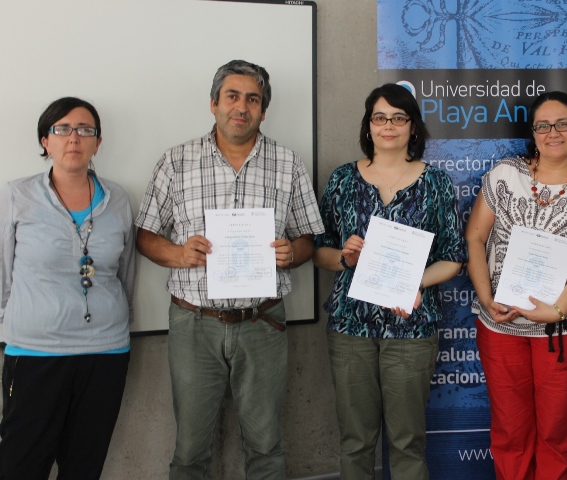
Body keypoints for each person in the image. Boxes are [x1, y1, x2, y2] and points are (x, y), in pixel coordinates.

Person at [135, 59, 324, 479]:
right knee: (190, 449)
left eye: (253, 100)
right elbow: (144, 235)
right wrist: (179, 254)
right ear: (214, 103)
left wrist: (291, 252)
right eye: (232, 96)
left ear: (263, 111)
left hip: (262, 323)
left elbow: (308, 238)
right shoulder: (176, 161)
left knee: (266, 446)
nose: (242, 107)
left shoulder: (288, 163)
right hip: (194, 323)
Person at [313, 83, 467, 480]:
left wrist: (416, 282)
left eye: (399, 118)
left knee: (407, 443)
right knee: (355, 442)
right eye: (379, 117)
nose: (388, 126)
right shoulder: (343, 179)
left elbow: (453, 257)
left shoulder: (436, 183)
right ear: (368, 125)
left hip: (411, 328)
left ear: (413, 127)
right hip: (351, 327)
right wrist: (344, 258)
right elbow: (319, 250)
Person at [0, 97, 136, 480]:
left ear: (98, 142)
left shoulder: (118, 199)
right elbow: (3, 274)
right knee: (20, 467)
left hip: (106, 353)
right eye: (62, 129)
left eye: (85, 130)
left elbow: (127, 274)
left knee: (83, 468)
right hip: (35, 353)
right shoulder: (16, 195)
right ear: (45, 140)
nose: (74, 138)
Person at [465, 91, 567, 480]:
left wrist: (556, 310)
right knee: (511, 432)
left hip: (562, 328)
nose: (553, 132)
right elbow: (474, 238)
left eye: (563, 124)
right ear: (533, 133)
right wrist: (486, 298)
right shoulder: (506, 174)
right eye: (543, 125)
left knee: (556, 435)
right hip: (501, 324)